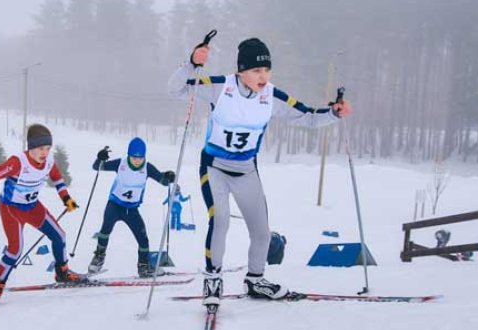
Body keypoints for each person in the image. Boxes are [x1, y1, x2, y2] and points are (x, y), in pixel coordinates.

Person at [168, 37, 352, 304]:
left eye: (266, 70)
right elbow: (176, 90)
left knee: (262, 231)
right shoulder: (221, 87)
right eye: (256, 70)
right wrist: (190, 64)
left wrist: (333, 113)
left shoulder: (272, 96)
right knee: (220, 222)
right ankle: (212, 280)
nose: (262, 76)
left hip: (245, 171)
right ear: (241, 70)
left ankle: (255, 280)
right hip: (214, 168)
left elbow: (308, 116)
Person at [0, 124, 84, 305]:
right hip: (11, 209)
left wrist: (66, 198)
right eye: (41, 148)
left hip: (32, 207)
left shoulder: (48, 162)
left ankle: (62, 272)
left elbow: (57, 178)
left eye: (48, 148)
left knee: (60, 236)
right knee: (15, 249)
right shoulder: (18, 163)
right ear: (31, 147)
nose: (45, 153)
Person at [88, 138, 176, 277]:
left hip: (132, 210)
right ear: (129, 155)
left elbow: (163, 181)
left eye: (140, 158)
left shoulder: (147, 168)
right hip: (114, 205)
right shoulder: (120, 164)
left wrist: (169, 177)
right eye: (134, 157)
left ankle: (143, 267)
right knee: (105, 230)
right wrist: (100, 158)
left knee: (143, 239)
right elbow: (97, 167)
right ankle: (98, 258)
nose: (137, 161)